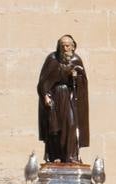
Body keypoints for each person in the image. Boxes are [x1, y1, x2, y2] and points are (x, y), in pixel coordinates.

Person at [36, 34, 89, 163]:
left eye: (68, 45)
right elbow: (43, 81)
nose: (65, 48)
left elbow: (82, 84)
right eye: (62, 46)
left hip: (69, 97)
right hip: (55, 96)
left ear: (73, 46)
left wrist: (76, 77)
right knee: (54, 127)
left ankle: (71, 156)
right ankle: (54, 156)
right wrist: (45, 96)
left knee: (71, 124)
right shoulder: (52, 59)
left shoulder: (76, 60)